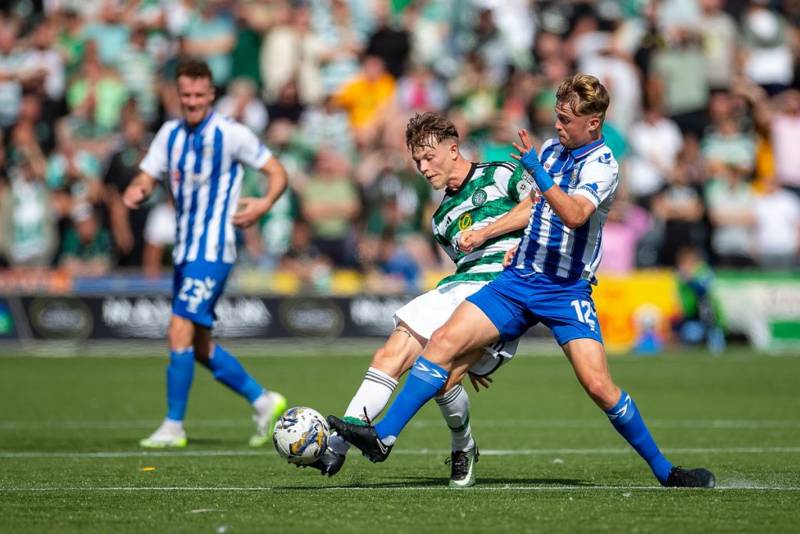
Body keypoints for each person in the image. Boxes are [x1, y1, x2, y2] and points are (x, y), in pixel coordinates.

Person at [329, 74, 716, 488]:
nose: (558, 126)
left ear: (594, 123)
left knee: (600, 387)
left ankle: (665, 471)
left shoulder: (602, 165)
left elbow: (573, 214)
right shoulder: (552, 149)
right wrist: (516, 241)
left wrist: (533, 170)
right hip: (518, 279)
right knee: (442, 344)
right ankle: (384, 437)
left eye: (567, 120)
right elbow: (534, 206)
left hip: (565, 290)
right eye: (557, 116)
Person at [308, 112, 534, 488]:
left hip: (505, 288)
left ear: (453, 149)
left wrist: (486, 233)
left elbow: (540, 207)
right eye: (417, 162)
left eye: (429, 158)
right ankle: (336, 447)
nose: (424, 168)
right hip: (460, 286)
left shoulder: (501, 174)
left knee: (444, 380)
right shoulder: (441, 218)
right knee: (389, 355)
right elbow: (464, 263)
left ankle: (463, 447)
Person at [122, 60, 289, 448]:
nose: (193, 101)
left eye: (199, 94)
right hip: (184, 249)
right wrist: (139, 188)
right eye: (186, 95)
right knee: (197, 344)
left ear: (212, 94)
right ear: (178, 96)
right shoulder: (169, 134)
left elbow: (277, 171)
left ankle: (173, 426)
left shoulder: (231, 134)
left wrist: (263, 205)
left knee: (178, 328)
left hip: (214, 249)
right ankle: (264, 400)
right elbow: (148, 173)